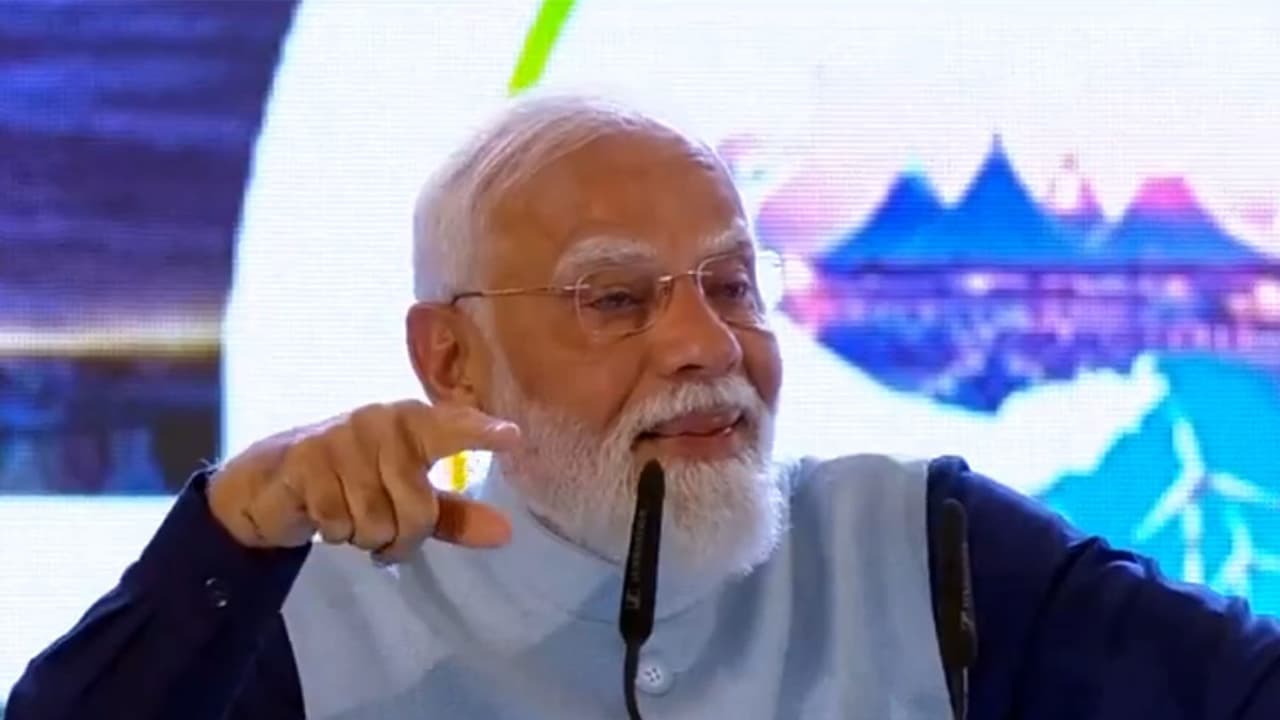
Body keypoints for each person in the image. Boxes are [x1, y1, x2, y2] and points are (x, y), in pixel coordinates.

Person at [7, 94, 1280, 720]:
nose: (705, 344)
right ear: (450, 360)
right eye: (615, 299)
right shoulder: (299, 617)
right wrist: (226, 542)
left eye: (731, 285)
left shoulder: (923, 547)